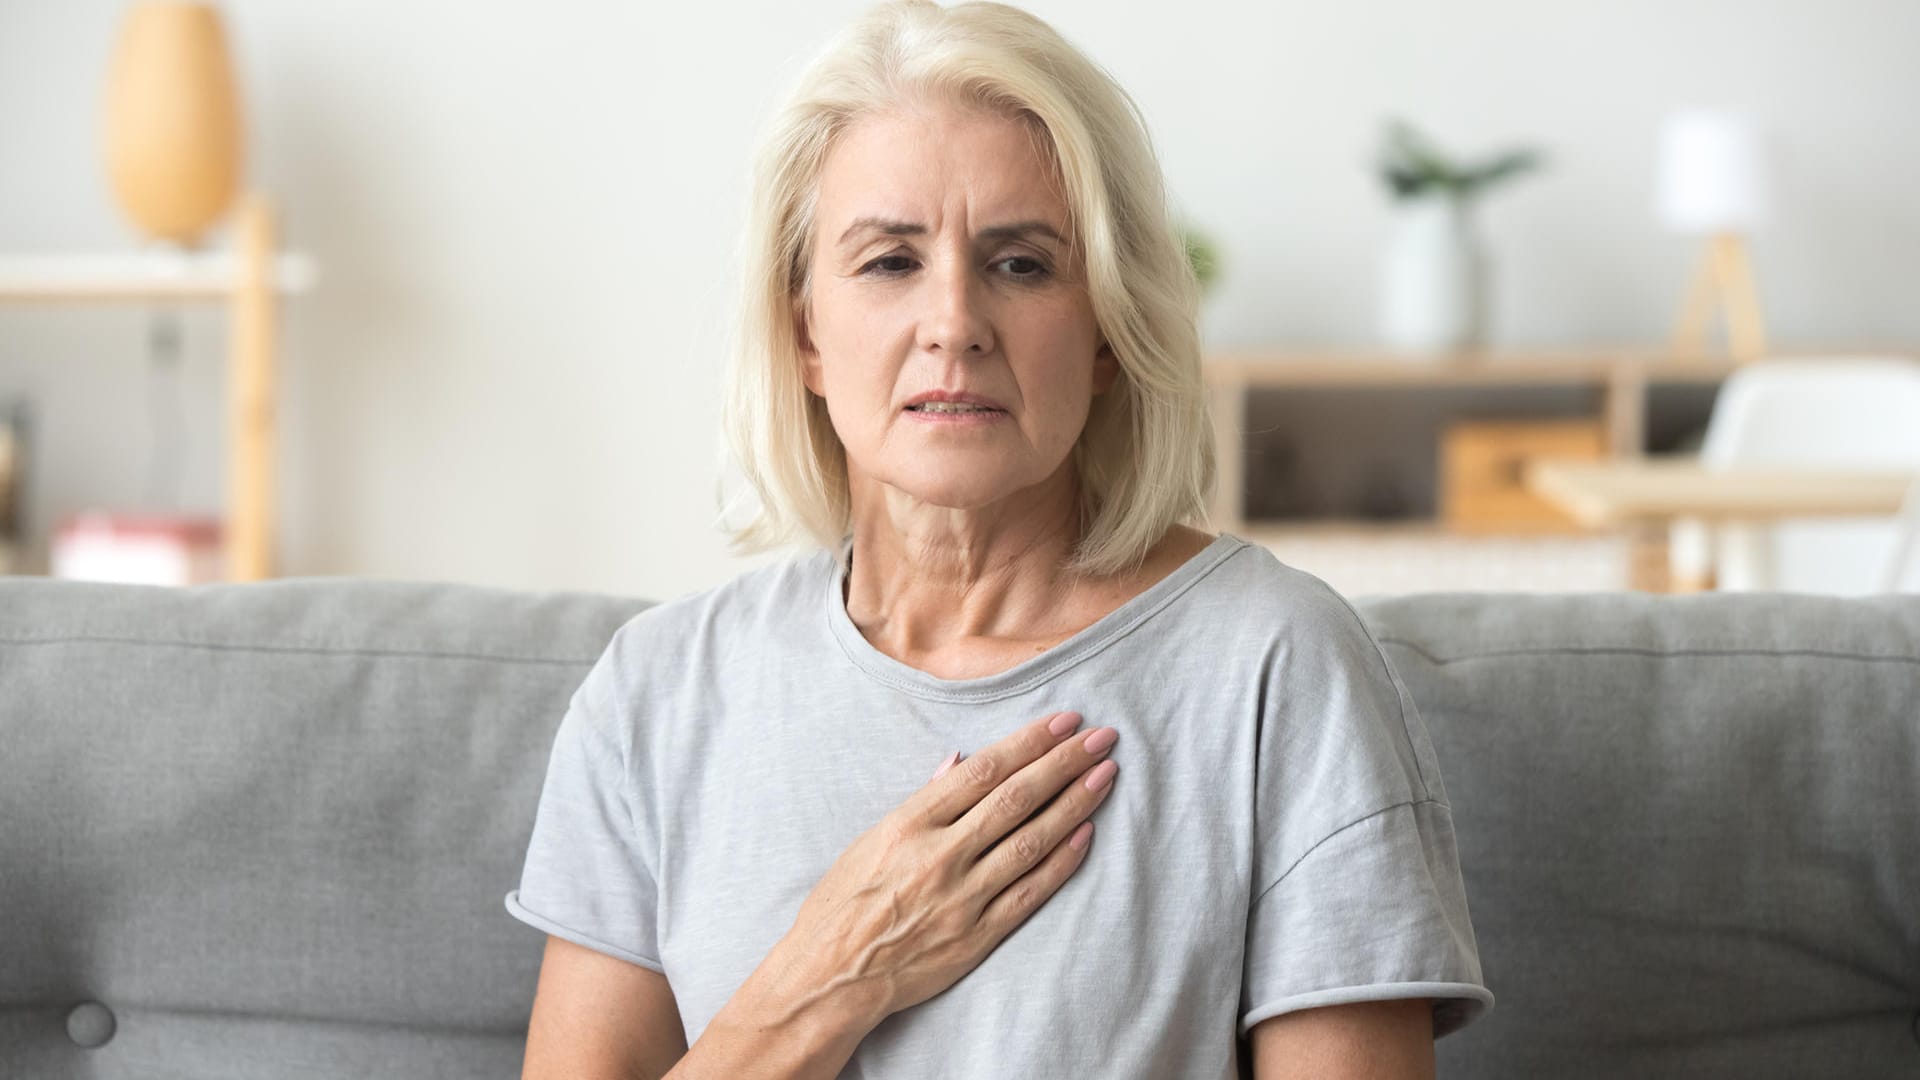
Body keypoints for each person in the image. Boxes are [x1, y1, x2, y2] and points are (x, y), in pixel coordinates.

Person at [505, 2, 1493, 1077]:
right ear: (805, 338)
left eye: (1020, 264)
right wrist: (827, 979)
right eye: (889, 261)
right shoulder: (654, 696)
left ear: (1110, 331)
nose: (954, 323)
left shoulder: (1276, 665)